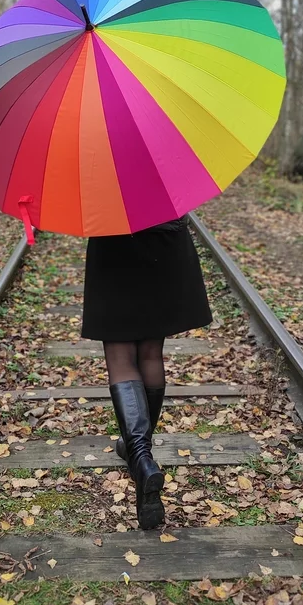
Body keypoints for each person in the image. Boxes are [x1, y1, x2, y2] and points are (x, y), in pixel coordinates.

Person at [81, 215, 212, 529]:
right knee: (152, 352)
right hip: (164, 240)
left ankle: (141, 458)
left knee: (120, 354)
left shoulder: (96, 165)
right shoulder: (165, 163)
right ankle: (139, 450)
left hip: (113, 240)